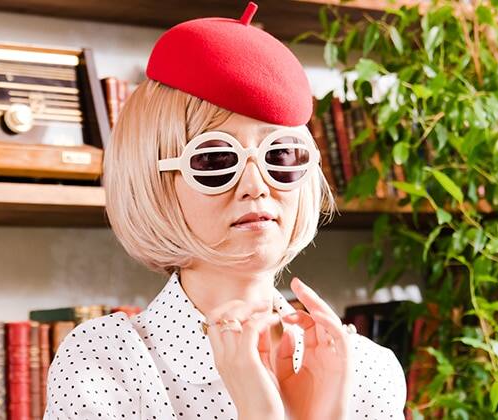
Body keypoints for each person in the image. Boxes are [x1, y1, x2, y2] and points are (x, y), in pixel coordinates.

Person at [44, 2, 405, 419]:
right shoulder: (105, 362)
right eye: (215, 160)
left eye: (280, 154)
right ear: (152, 179)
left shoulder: (367, 368)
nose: (256, 186)